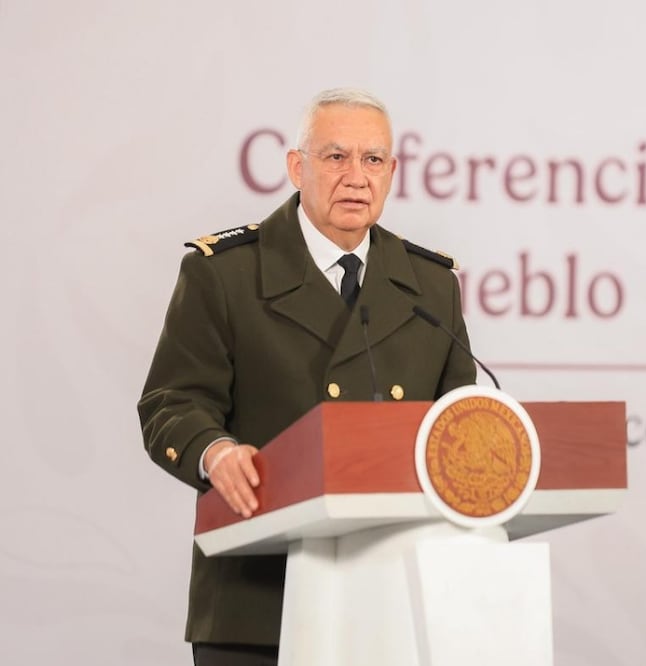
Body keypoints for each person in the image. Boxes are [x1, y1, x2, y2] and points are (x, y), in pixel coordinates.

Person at [138, 88, 476, 665]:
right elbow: (171, 402)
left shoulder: (431, 285)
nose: (356, 177)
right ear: (297, 167)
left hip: (390, 600)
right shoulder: (224, 275)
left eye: (373, 161)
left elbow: (458, 423)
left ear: (392, 173)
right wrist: (215, 451)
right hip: (258, 601)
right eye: (335, 157)